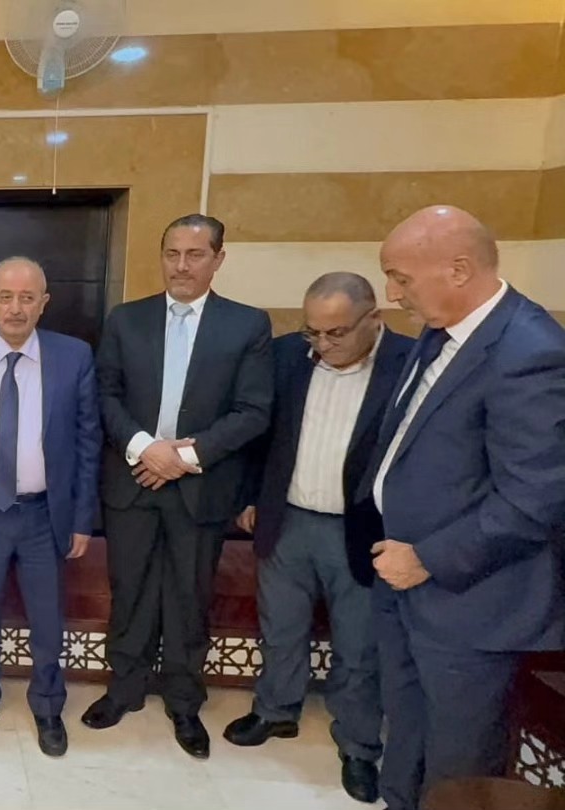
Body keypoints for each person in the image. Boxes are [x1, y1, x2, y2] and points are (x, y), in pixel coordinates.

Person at [364, 206, 565, 810]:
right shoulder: (441, 331)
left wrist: (426, 558)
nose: (392, 295)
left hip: (470, 602)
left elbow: (534, 499)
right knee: (406, 736)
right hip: (402, 579)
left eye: (400, 278)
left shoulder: (529, 350)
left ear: (458, 269)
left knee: (458, 764)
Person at [85, 215, 273, 760]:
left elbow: (253, 411)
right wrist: (146, 447)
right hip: (133, 479)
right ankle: (124, 689)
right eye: (172, 253)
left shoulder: (246, 325)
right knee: (130, 590)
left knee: (189, 597)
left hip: (201, 485)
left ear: (218, 259)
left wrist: (182, 458)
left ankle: (184, 701)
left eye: (195, 254)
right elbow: (105, 395)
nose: (182, 265)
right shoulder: (126, 319)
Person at [226, 272, 413, 804]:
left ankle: (357, 744)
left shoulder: (408, 363)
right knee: (281, 627)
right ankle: (275, 710)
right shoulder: (288, 355)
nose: (323, 345)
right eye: (313, 332)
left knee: (359, 644)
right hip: (287, 518)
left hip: (361, 529)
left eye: (336, 333)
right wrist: (251, 497)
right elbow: (261, 433)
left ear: (373, 320)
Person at [0, 257, 101, 758]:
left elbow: (88, 443)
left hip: (45, 514)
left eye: (27, 297)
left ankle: (47, 705)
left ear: (43, 303)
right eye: (5, 297)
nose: (15, 308)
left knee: (47, 620)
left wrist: (82, 519)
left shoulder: (74, 356)